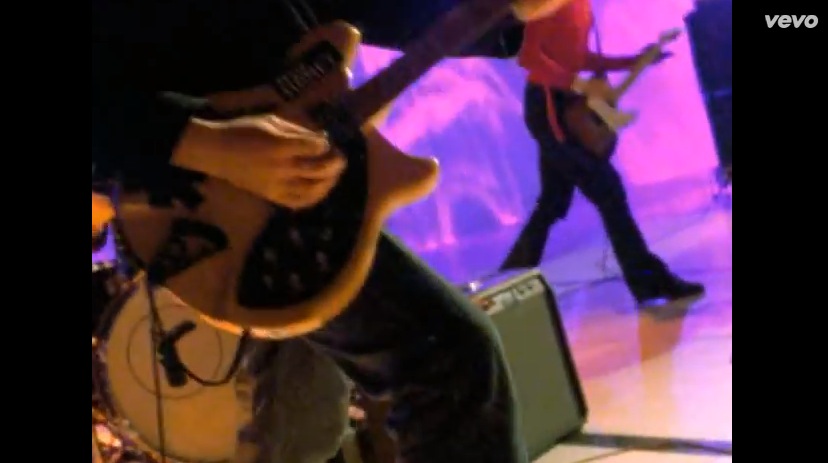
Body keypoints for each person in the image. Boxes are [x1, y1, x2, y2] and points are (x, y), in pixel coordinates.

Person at [92, 1, 569, 462]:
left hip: (283, 170)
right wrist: (203, 142)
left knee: (299, 422)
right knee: (447, 358)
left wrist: (500, 9)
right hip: (199, 194)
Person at [499, 0, 705, 305]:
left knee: (553, 202)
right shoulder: (552, 3)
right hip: (550, 108)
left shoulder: (580, 5)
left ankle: (505, 283)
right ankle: (650, 283)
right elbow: (529, 56)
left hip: (562, 104)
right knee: (608, 191)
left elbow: (576, 57)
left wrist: (632, 62)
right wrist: (578, 84)